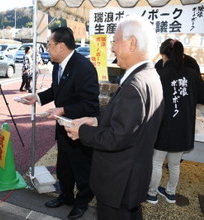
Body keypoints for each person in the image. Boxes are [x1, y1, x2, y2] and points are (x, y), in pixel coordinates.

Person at [65, 16, 165, 220]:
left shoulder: (135, 86)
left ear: (132, 43)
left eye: (115, 41)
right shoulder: (150, 76)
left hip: (118, 182)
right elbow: (129, 126)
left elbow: (117, 138)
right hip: (130, 180)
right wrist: (95, 122)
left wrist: (82, 131)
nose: (112, 48)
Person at [20, 27, 100, 219]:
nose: (46, 48)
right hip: (63, 126)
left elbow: (89, 104)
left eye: (49, 45)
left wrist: (63, 110)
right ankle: (66, 196)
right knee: (64, 166)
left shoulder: (84, 67)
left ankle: (81, 203)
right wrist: (37, 97)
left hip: (80, 128)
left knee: (81, 168)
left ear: (61, 46)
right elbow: (57, 90)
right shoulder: (58, 64)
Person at [146, 40, 204, 204]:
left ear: (164, 55)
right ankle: (171, 193)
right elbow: (202, 97)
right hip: (183, 127)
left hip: (163, 127)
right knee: (175, 164)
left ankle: (152, 194)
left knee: (156, 162)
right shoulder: (192, 75)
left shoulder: (158, 75)